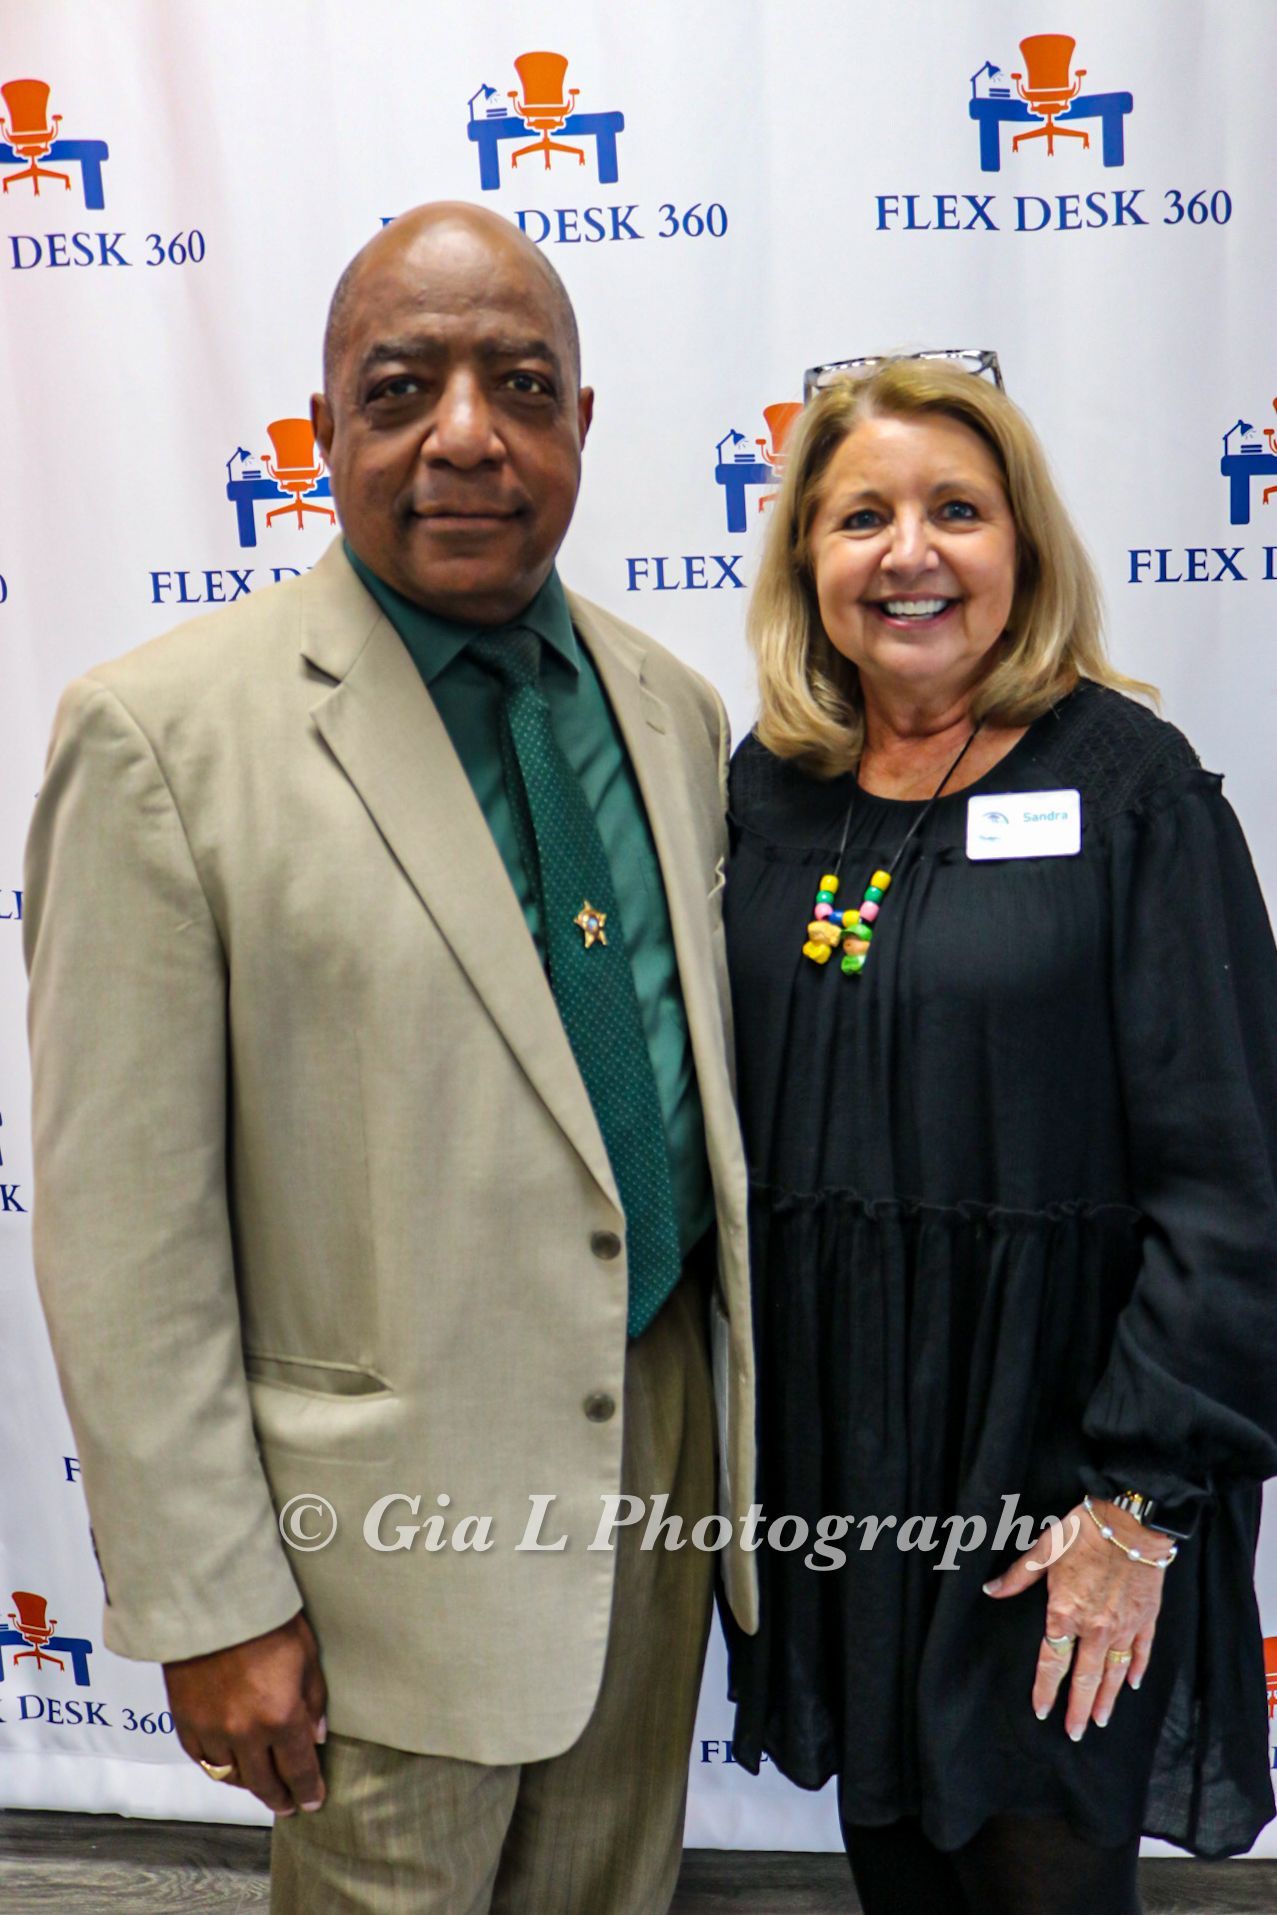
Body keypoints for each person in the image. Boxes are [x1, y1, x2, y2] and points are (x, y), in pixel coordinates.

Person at [24, 201, 757, 1915]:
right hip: (372, 1574)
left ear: (582, 422)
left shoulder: (671, 710)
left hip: (655, 1497)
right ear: (326, 428)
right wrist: (212, 1602)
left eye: (520, 385)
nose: (465, 436)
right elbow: (122, 1229)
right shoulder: (162, 736)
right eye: (402, 386)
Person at [722, 352, 1277, 1914]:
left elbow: (1233, 1181)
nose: (907, 553)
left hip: (1061, 1476)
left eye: (954, 511)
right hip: (845, 1464)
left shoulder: (1129, 789)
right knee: (899, 1880)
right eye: (860, 518)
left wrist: (1134, 1511)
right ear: (806, 561)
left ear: (1021, 545)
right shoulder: (766, 795)